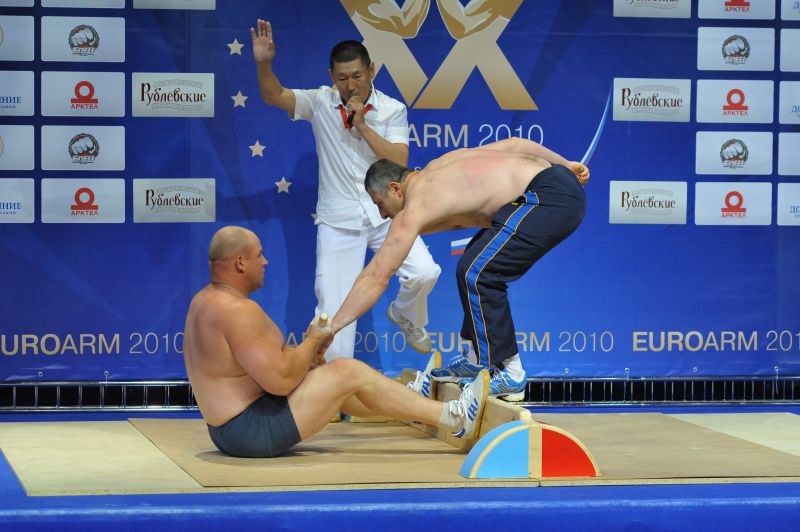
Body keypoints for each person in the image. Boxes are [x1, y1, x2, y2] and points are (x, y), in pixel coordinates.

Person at [182, 226, 488, 458]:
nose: (265, 261)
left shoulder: (204, 301)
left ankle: (414, 403)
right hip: (249, 431)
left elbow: (258, 371)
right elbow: (280, 380)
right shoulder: (238, 311)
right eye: (259, 255)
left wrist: (308, 354)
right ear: (240, 262)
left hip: (228, 430)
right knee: (347, 371)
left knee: (332, 379)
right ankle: (457, 417)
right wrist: (311, 342)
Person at [327, 138, 590, 402]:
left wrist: (332, 328)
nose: (382, 215)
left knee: (478, 273)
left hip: (549, 196)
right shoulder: (442, 166)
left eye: (379, 204)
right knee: (471, 263)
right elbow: (516, 144)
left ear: (395, 189)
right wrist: (566, 164)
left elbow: (375, 276)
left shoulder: (417, 205)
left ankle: (512, 373)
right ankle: (475, 359)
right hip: (554, 184)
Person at [249, 19, 441, 360]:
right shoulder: (320, 102)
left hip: (385, 215)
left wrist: (362, 125)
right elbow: (273, 95)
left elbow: (399, 160)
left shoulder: (392, 109)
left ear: (371, 71)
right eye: (341, 78)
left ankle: (405, 313)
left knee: (425, 272)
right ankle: (335, 385)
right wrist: (264, 64)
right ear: (331, 76)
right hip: (338, 220)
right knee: (333, 311)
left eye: (357, 76)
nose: (350, 85)